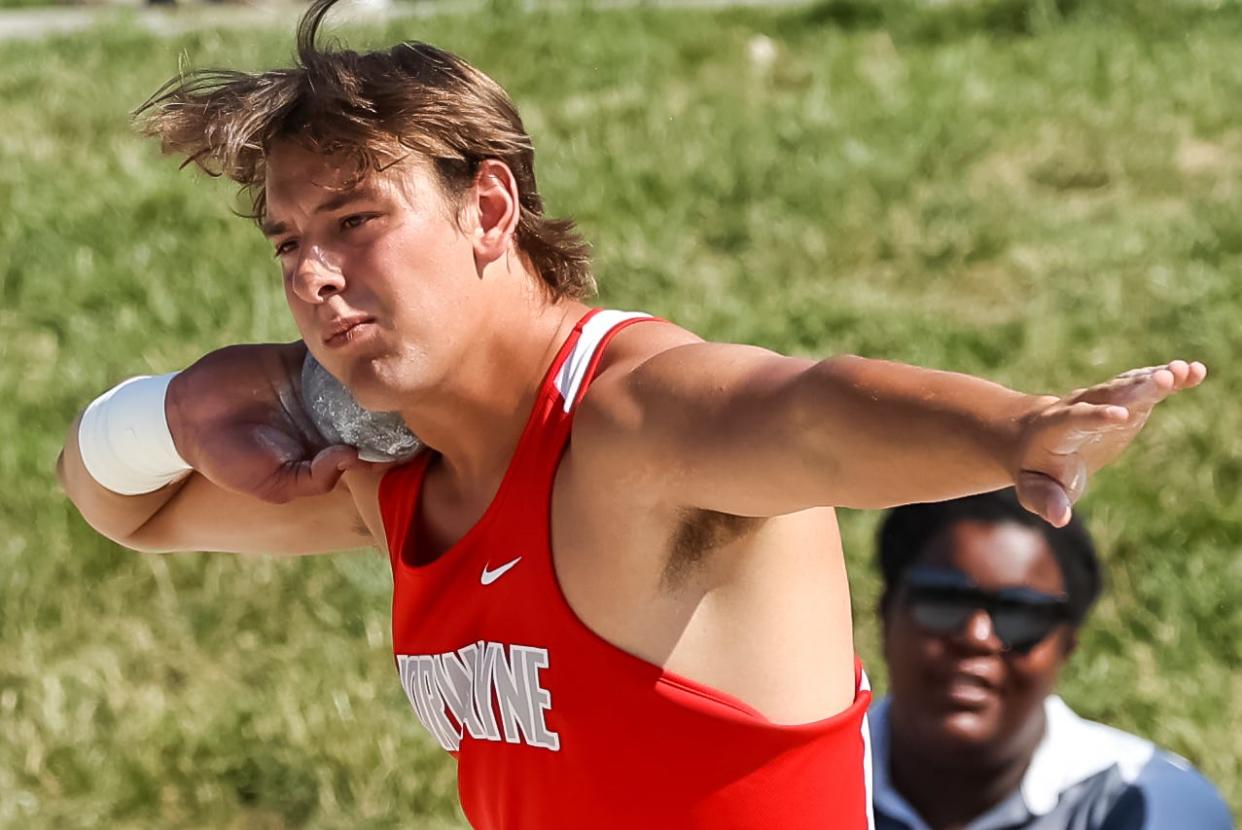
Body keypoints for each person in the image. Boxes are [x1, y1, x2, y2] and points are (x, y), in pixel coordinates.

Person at [55, 0, 1208, 826]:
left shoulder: (632, 421)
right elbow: (126, 511)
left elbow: (805, 408)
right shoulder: (398, 474)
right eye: (288, 241)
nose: (312, 272)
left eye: (356, 218)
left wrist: (1007, 431)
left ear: (488, 206)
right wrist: (181, 403)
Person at [870, 490, 1232, 830]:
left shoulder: (1148, 800)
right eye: (943, 602)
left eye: (1020, 614)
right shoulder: (818, 770)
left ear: (1068, 644)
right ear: (885, 614)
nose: (976, 637)